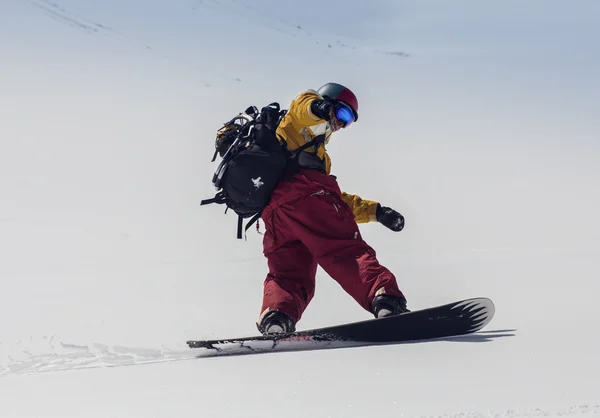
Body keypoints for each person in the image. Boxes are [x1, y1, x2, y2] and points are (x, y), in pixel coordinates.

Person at [257, 82, 408, 335]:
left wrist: (376, 211)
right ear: (329, 102)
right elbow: (303, 105)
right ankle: (386, 300)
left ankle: (276, 317)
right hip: (306, 200)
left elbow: (334, 200)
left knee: (289, 273)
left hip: (277, 216)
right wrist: (320, 106)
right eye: (343, 114)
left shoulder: (304, 147)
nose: (341, 124)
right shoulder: (298, 121)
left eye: (348, 121)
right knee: (345, 251)